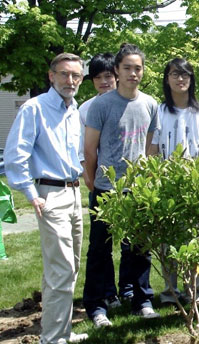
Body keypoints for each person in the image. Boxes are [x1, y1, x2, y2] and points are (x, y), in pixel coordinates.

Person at [5, 53, 87, 344]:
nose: (71, 81)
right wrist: (30, 193)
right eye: (64, 74)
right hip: (49, 195)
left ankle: (61, 330)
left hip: (72, 193)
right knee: (61, 269)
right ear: (51, 76)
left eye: (76, 76)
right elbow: (16, 155)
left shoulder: (73, 109)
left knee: (69, 266)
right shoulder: (35, 109)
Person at [83, 43, 160, 327]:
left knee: (139, 247)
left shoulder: (150, 104)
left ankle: (142, 299)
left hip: (138, 188)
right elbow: (90, 148)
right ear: (117, 70)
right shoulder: (101, 105)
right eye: (127, 68)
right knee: (100, 248)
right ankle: (96, 306)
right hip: (106, 188)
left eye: (137, 68)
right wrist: (92, 182)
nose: (132, 73)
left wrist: (150, 180)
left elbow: (151, 147)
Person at [148, 57, 199, 306]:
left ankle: (197, 291)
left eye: (185, 75)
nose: (180, 79)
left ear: (191, 80)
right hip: (166, 186)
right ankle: (170, 291)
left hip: (196, 187)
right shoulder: (158, 112)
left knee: (197, 241)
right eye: (174, 74)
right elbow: (153, 151)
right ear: (166, 79)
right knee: (167, 241)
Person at [78, 52, 121, 309]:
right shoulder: (86, 108)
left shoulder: (130, 103)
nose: (104, 82)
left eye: (108, 76)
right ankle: (107, 291)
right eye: (98, 78)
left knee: (132, 244)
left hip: (129, 185)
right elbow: (85, 149)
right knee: (101, 243)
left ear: (116, 75)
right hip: (101, 184)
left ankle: (130, 292)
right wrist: (89, 177)